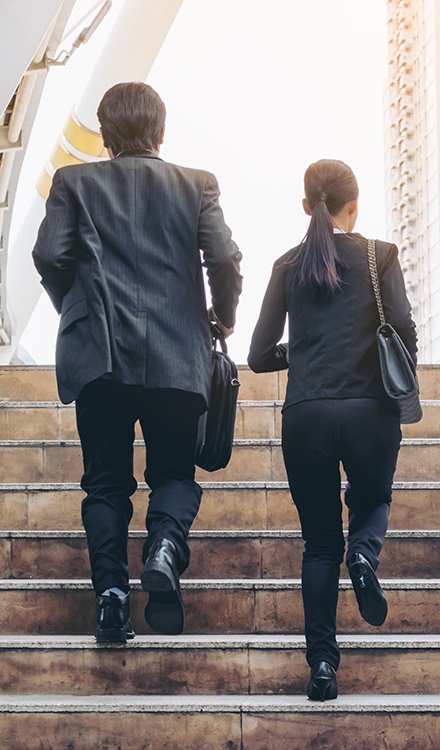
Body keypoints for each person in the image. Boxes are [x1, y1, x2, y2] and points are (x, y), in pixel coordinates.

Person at [32, 82, 243, 642]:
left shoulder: (72, 184)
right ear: (161, 132)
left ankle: (111, 596)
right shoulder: (196, 184)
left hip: (99, 358)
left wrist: (77, 308)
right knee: (174, 472)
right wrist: (221, 319)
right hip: (179, 357)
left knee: (105, 485)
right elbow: (223, 257)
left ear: (103, 137)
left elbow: (49, 254)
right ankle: (166, 548)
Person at [248, 159, 417, 701]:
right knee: (372, 502)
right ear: (354, 204)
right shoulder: (379, 255)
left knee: (320, 545)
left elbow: (256, 355)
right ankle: (365, 554)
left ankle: (322, 667)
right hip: (370, 412)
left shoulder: (287, 265)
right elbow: (405, 330)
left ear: (305, 206)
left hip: (307, 415)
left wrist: (303, 354)